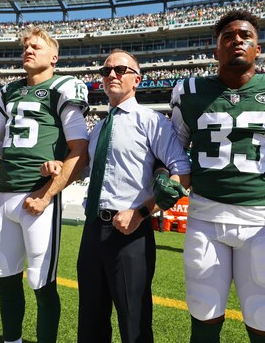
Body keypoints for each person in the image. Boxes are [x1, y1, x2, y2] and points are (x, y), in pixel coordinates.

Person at [170, 9, 265, 343]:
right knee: (203, 314)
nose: (237, 41)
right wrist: (166, 177)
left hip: (262, 219)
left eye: (246, 36)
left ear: (258, 49)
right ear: (216, 50)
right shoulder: (189, 91)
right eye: (228, 36)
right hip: (205, 216)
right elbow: (173, 154)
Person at [0, 28, 89, 343]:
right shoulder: (9, 91)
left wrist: (46, 193)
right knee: (4, 277)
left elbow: (79, 149)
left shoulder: (64, 87)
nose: (28, 49)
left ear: (54, 57)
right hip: (3, 197)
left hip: (37, 199)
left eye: (35, 46)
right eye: (25, 46)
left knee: (41, 282)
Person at [74, 50, 190, 343]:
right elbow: (83, 170)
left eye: (121, 69)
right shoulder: (98, 128)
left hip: (130, 232)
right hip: (91, 230)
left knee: (134, 323)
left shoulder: (152, 122)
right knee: (90, 322)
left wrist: (141, 213)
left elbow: (182, 173)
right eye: (106, 70)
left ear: (136, 80)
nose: (112, 74)